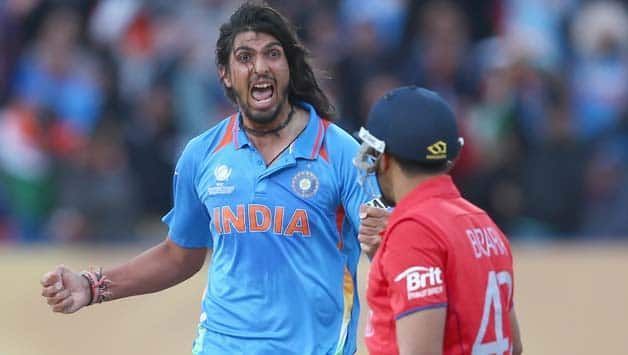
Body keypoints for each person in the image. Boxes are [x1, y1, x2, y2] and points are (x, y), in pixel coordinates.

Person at [39, 2, 388, 354]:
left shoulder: (341, 151)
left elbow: (382, 243)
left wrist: (382, 239)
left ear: (288, 67)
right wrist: (92, 286)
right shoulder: (202, 153)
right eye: (245, 57)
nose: (260, 67)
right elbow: (179, 255)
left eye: (272, 54)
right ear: (224, 73)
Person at [354, 86, 523, 355]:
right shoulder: (482, 222)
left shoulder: (413, 232)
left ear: (384, 159)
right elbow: (514, 346)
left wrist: (401, 246)